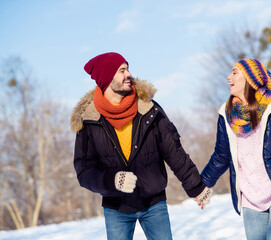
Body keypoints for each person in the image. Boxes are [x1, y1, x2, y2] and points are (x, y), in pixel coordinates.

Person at [70, 52, 211, 240]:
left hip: (154, 203)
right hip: (116, 208)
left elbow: (173, 150)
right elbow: (84, 171)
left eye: (128, 69)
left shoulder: (148, 109)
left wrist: (196, 187)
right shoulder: (89, 121)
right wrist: (112, 181)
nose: (128, 74)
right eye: (121, 70)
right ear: (106, 78)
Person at [198, 59, 271, 240]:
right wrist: (203, 186)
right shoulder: (226, 115)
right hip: (249, 196)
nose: (228, 77)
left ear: (251, 79)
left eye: (234, 72)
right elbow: (221, 156)